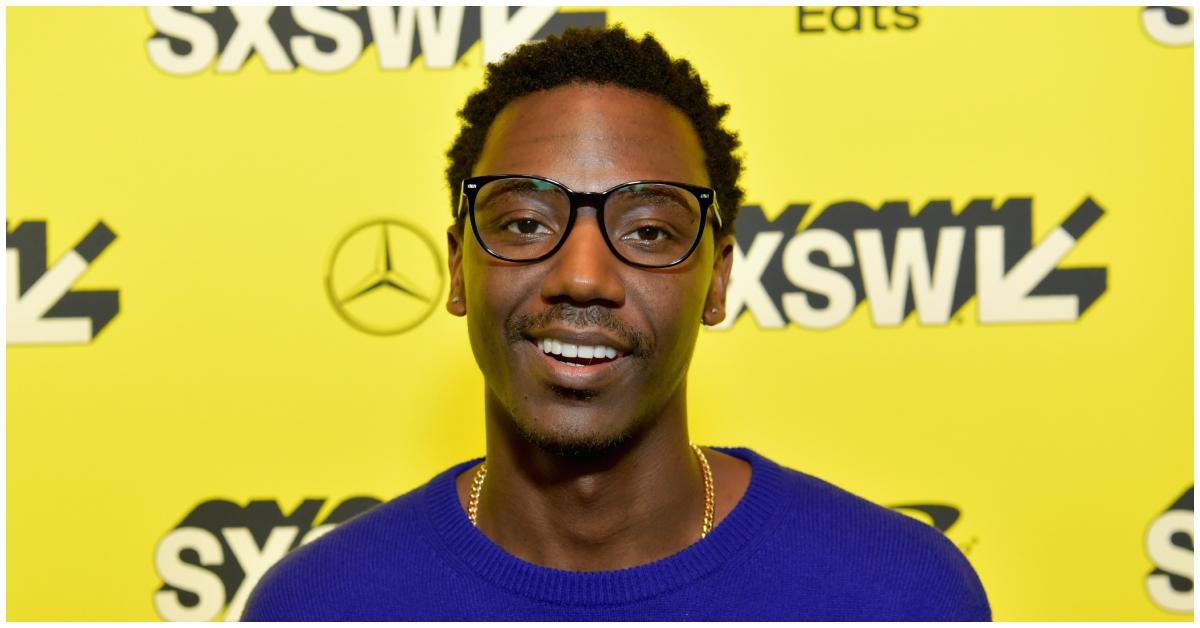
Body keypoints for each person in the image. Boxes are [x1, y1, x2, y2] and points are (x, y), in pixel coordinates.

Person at [241, 26, 991, 621]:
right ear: (458, 267)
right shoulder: (318, 606)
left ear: (718, 278)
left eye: (650, 232)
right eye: (527, 223)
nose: (582, 277)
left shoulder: (896, 595)